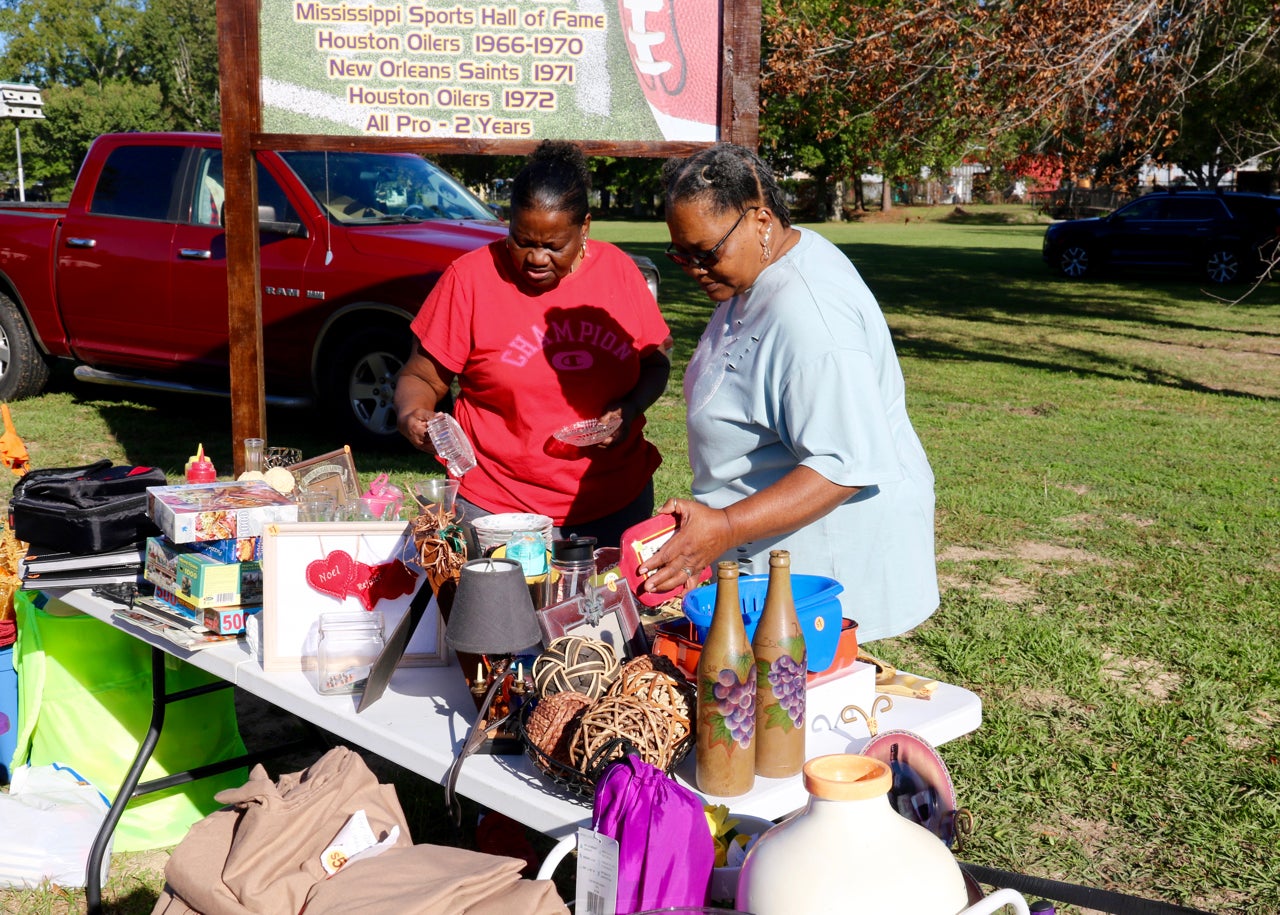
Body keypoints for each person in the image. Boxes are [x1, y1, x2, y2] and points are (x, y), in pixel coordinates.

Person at [639, 143, 938, 642]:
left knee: (810, 711)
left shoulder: (811, 316)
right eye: (680, 254)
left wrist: (726, 526)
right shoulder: (756, 273)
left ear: (761, 221)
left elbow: (844, 464)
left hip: (833, 570)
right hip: (774, 556)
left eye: (706, 252)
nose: (693, 269)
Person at [395, 141, 672, 548]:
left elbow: (655, 363)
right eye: (522, 241)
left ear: (585, 229)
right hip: (497, 509)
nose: (536, 258)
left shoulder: (618, 270)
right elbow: (420, 376)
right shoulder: (469, 279)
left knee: (600, 609)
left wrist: (629, 410)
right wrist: (412, 414)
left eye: (553, 246)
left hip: (615, 503)